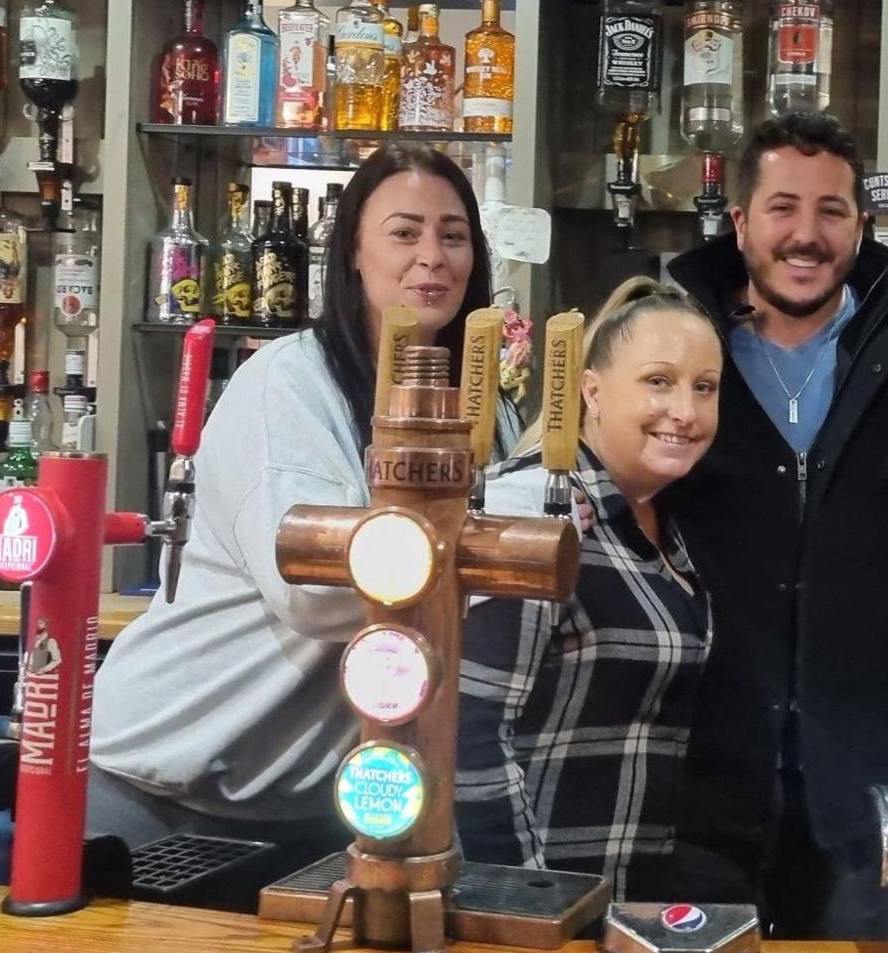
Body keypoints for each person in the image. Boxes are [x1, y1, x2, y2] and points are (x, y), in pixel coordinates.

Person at [88, 144, 520, 858]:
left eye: (453, 234)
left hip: (316, 801)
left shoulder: (484, 413)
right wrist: (486, 544)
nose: (433, 257)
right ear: (353, 252)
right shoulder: (288, 386)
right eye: (405, 232)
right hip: (162, 780)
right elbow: (313, 594)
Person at [661, 112, 888, 939]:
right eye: (783, 208)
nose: (806, 236)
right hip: (700, 768)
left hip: (862, 779)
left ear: (861, 225)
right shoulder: (682, 334)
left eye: (831, 212)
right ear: (741, 220)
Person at [456, 278, 720, 902]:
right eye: (659, 381)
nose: (685, 410)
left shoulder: (657, 520)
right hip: (544, 914)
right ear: (591, 391)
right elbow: (468, 740)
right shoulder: (538, 515)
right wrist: (528, 901)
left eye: (704, 388)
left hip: (624, 904)